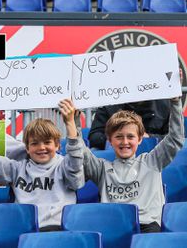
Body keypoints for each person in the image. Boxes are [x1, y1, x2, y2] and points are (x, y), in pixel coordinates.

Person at [0, 99, 85, 231]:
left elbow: (75, 163)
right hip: (23, 231)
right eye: (34, 143)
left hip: (57, 230)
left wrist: (70, 123)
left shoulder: (65, 166)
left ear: (57, 145)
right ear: (26, 148)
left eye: (47, 142)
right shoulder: (17, 169)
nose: (41, 147)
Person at [72, 97, 184, 233]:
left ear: (140, 139)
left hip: (147, 228)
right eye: (119, 137)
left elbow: (175, 139)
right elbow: (80, 151)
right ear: (109, 140)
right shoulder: (101, 168)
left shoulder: (153, 161)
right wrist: (74, 120)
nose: (125, 142)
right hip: (113, 230)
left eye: (130, 137)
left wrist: (175, 103)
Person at [88, 99, 170, 150]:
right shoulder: (110, 103)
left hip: (153, 154)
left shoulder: (164, 105)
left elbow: (175, 139)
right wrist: (117, 137)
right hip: (114, 157)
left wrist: (150, 137)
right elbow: (94, 137)